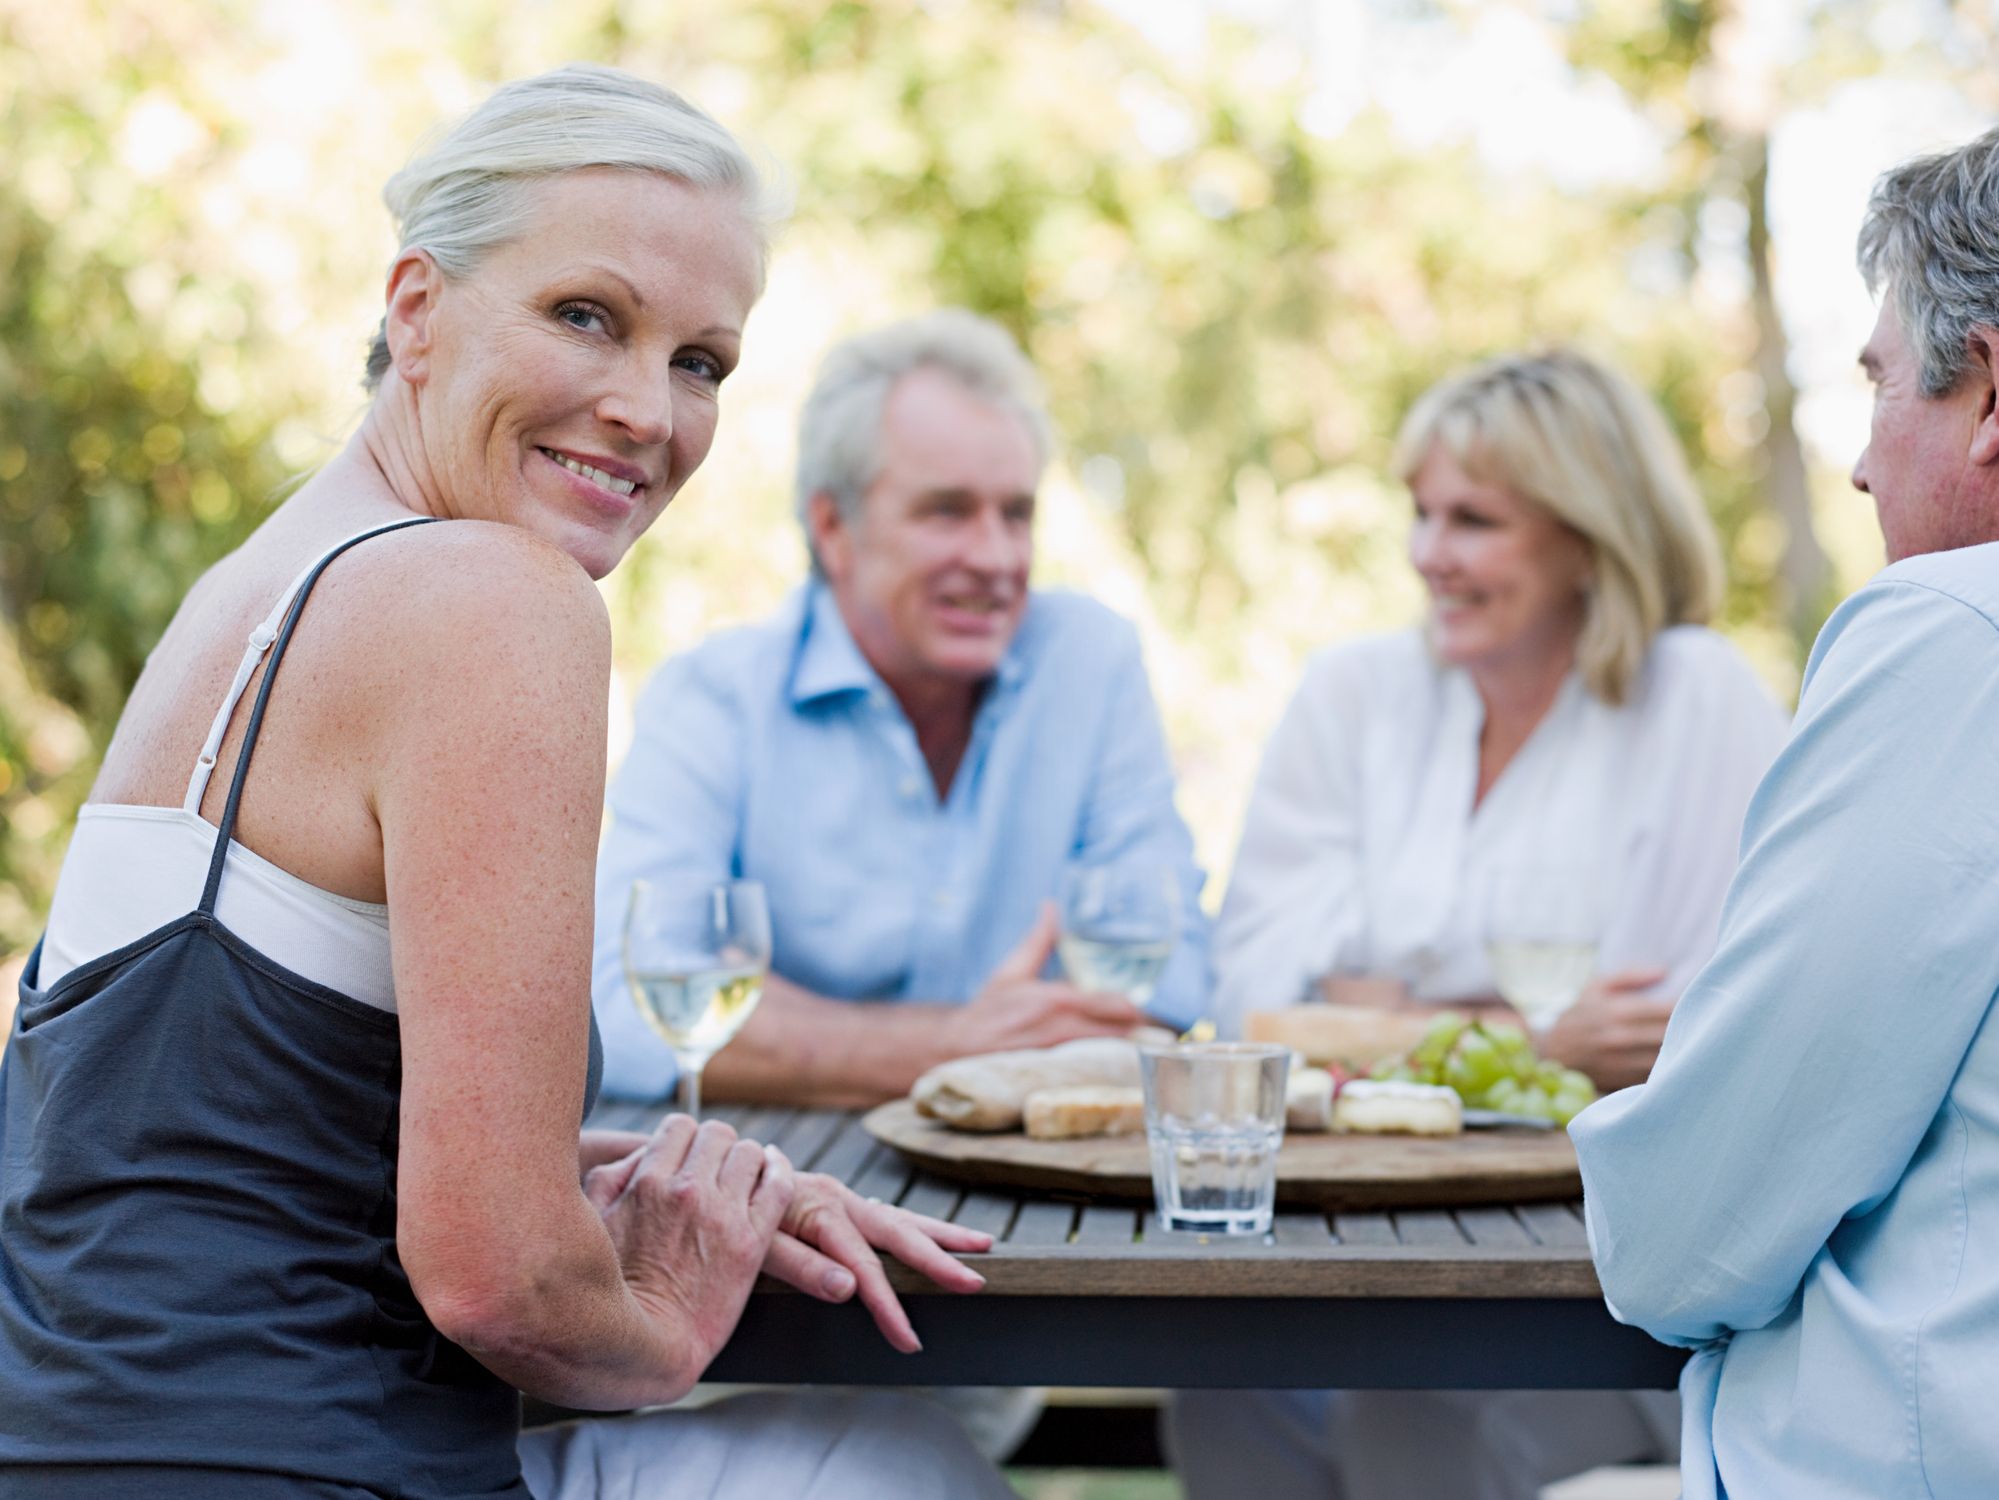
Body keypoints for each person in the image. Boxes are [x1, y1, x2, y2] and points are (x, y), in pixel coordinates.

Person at [0, 66, 1012, 1500]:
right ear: (414, 307)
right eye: (584, 316)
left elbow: (234, 1115)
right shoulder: (493, 600)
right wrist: (659, 1326)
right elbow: (498, 1282)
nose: (643, 410)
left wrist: (673, 1192)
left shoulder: (267, 590)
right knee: (890, 1464)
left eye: (700, 362)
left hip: (81, 1457)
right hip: (299, 1466)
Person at [1169, 349, 1789, 1500]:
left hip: (1581, 1262)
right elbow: (1249, 1005)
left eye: (1473, 521)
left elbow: (1704, 1032)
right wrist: (1530, 1038)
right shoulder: (1352, 696)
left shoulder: (1695, 698)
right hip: (1339, 1219)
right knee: (1225, 1384)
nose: (1428, 555)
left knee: (1425, 1413)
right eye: (1420, 514)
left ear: (1586, 533)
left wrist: (1373, 1014)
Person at [1572, 129, 1999, 1500]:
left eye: (1877, 383)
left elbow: (1688, 1230)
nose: (1863, 466)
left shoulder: (1949, 630)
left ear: (1982, 392)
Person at [591, 308, 1211, 1109]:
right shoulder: (717, 694)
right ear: (832, 526)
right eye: (946, 511)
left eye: (1015, 514)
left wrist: (818, 1044)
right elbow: (628, 1004)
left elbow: (1175, 975)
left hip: (1046, 1198)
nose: (994, 558)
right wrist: (953, 1048)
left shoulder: (1090, 662)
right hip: (789, 1185)